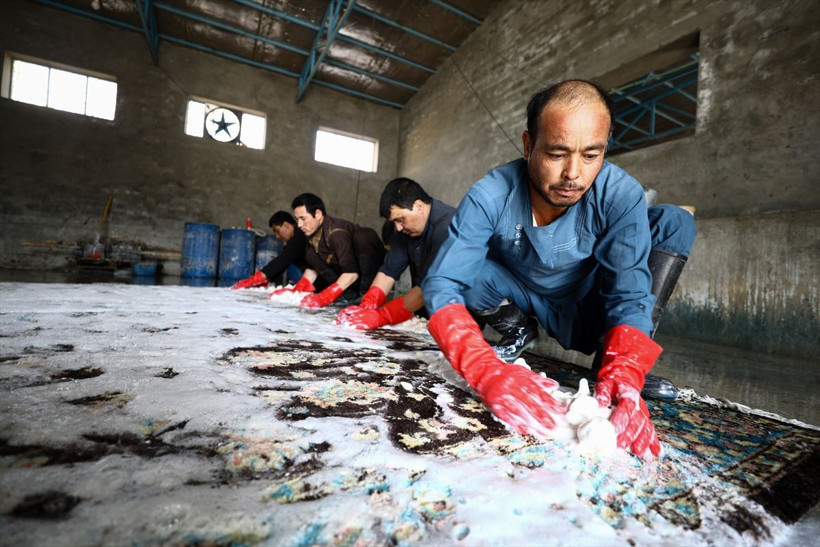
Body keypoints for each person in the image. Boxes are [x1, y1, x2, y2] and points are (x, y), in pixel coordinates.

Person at [421, 80, 697, 459]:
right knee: (465, 269)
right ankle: (519, 331)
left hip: (593, 302)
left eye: (591, 155)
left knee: (673, 220)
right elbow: (444, 282)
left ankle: (612, 368)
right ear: (528, 145)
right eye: (556, 153)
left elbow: (629, 289)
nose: (573, 174)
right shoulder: (492, 193)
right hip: (536, 299)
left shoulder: (619, 193)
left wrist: (626, 374)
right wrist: (482, 368)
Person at [337, 178, 456, 330]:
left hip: (458, 312)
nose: (398, 228)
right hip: (425, 309)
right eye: (394, 222)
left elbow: (431, 286)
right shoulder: (404, 230)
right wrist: (367, 306)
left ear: (419, 206)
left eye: (400, 220)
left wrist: (383, 316)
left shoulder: (448, 227)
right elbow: (388, 271)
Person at [270, 193, 385, 308]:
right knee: (311, 255)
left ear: (318, 214)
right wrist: (297, 290)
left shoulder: (336, 233)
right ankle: (348, 295)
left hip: (366, 272)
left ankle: (366, 297)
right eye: (297, 219)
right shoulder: (311, 233)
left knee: (364, 236)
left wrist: (325, 296)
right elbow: (312, 269)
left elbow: (351, 273)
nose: (299, 225)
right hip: (348, 275)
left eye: (303, 219)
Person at [231, 211, 306, 289]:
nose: (277, 236)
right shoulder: (294, 242)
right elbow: (282, 264)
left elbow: (283, 259)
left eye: (277, 231)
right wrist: (268, 279)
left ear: (286, 225)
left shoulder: (300, 236)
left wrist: (256, 279)